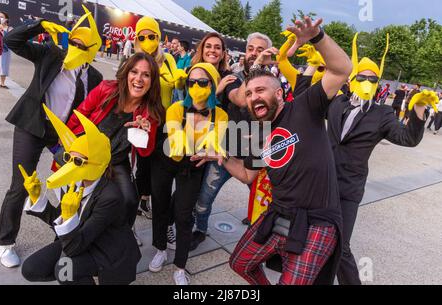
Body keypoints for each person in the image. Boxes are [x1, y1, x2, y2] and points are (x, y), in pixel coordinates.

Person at [192, 16, 352, 284]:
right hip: (278, 213)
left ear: (278, 94)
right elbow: (247, 175)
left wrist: (317, 36)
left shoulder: (305, 107)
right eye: (251, 94)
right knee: (239, 262)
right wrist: (222, 157)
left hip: (317, 221)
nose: (254, 97)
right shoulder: (258, 134)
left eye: (261, 90)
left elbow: (341, 69)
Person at [0, 6, 103, 268]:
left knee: (73, 186)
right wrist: (40, 25)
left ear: (92, 49)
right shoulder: (50, 54)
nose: (75, 47)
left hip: (62, 136)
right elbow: (12, 41)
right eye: (73, 41)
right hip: (32, 125)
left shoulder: (95, 77)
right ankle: (5, 242)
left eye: (82, 44)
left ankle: (65, 232)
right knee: (20, 184)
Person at [322, 33, 433, 284]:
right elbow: (305, 109)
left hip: (349, 189)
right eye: (362, 77)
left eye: (372, 79)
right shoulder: (336, 103)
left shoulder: (382, 113)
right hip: (322, 182)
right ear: (352, 78)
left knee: (341, 246)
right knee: (316, 240)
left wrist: (417, 110)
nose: (367, 82)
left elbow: (407, 139)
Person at [20, 106, 141, 285]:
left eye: (78, 161)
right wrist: (39, 200)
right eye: (69, 158)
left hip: (106, 249)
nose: (70, 166)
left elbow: (74, 246)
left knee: (64, 270)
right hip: (81, 238)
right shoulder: (75, 182)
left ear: (97, 163)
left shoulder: (111, 196)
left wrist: (69, 217)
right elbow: (60, 222)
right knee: (31, 269)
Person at [64, 52, 164, 229]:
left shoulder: (151, 111)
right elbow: (78, 116)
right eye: (134, 72)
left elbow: (145, 152)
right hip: (87, 153)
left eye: (146, 74)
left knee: (130, 200)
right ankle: (69, 231)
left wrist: (143, 134)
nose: (139, 79)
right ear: (126, 73)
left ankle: (117, 238)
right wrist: (68, 145)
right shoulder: (106, 89)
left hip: (116, 160)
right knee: (76, 196)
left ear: (152, 81)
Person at [149, 63, 228, 285]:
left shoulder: (220, 115)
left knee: (184, 215)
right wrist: (189, 142)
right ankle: (161, 248)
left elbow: (215, 140)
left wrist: (212, 146)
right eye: (191, 82)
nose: (195, 86)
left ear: (212, 85)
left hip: (193, 165)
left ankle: (180, 266)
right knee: (161, 207)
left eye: (202, 82)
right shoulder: (175, 108)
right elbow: (174, 136)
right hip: (165, 161)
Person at [189, 32, 259, 250]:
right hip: (217, 150)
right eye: (251, 49)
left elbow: (239, 97)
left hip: (250, 149)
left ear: (224, 52)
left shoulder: (231, 77)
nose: (212, 51)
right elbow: (186, 109)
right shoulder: (192, 72)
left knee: (262, 200)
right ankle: (199, 229)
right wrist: (214, 93)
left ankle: (260, 235)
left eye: (217, 47)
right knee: (202, 199)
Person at [133, 16, 187, 246]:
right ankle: (131, 226)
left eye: (151, 36)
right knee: (138, 175)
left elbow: (177, 84)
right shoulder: (134, 61)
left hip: (164, 129)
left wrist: (180, 81)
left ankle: (164, 227)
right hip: (141, 126)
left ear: (158, 36)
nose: (147, 40)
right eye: (142, 37)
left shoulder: (168, 60)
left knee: (162, 182)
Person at [0, 11, 12, 88]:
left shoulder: (10, 28)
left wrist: (2, 29)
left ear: (6, 19)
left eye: (2, 17)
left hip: (5, 50)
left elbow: (9, 38)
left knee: (4, 66)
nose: (0, 18)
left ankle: (2, 83)